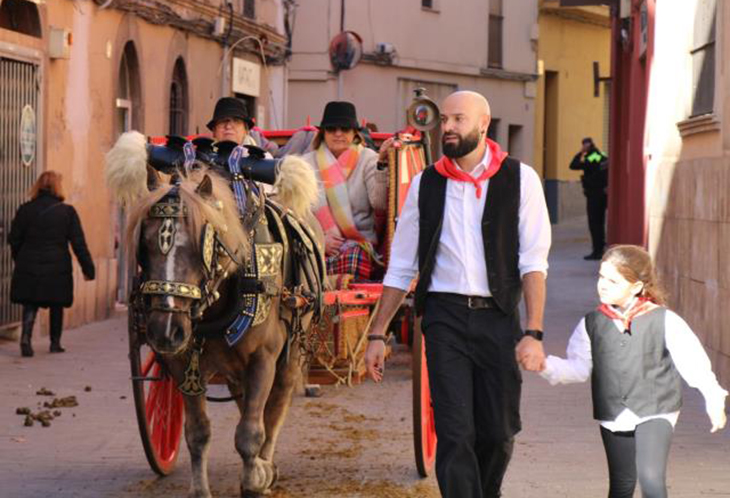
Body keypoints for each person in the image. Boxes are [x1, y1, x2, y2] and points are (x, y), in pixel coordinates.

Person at [364, 90, 552, 498]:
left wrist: (533, 332)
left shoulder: (522, 179)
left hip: (498, 316)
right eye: (444, 120)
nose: (447, 127)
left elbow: (534, 263)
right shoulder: (426, 184)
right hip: (445, 318)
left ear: (483, 124)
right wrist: (377, 333)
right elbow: (402, 265)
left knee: (499, 432)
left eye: (458, 120)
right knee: (454, 431)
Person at [539, 245, 727, 498]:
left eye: (613, 281)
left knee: (650, 480)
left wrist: (713, 399)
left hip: (657, 408)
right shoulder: (592, 323)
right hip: (613, 412)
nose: (603, 285)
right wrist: (544, 365)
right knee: (621, 485)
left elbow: (693, 363)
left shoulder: (664, 320)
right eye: (601, 277)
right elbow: (579, 367)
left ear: (636, 287)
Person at [302, 101, 398, 281]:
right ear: (323, 133)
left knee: (353, 258)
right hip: (316, 242)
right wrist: (320, 241)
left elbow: (379, 204)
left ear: (355, 133)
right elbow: (299, 211)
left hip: (359, 243)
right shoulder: (305, 163)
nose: (338, 134)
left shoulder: (369, 159)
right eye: (331, 129)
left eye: (344, 129)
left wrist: (381, 166)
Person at [8, 171, 95, 356]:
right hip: (57, 267)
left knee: (30, 304)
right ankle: (55, 343)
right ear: (58, 187)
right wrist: (88, 269)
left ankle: (26, 338)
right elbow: (78, 243)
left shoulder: (25, 209)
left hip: (29, 264)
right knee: (57, 304)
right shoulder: (67, 212)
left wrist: (20, 258)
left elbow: (14, 239)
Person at [570, 137, 609, 260]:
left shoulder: (591, 158)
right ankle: (600, 248)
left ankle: (597, 251)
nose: (583, 147)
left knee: (594, 223)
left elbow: (573, 165)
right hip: (602, 193)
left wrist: (580, 153)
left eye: (584, 145)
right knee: (600, 222)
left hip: (594, 194)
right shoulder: (602, 155)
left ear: (587, 146)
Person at [207, 96, 278, 156]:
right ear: (214, 131)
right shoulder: (203, 159)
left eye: (236, 121)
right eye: (222, 121)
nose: (228, 126)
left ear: (246, 130)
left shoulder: (262, 159)